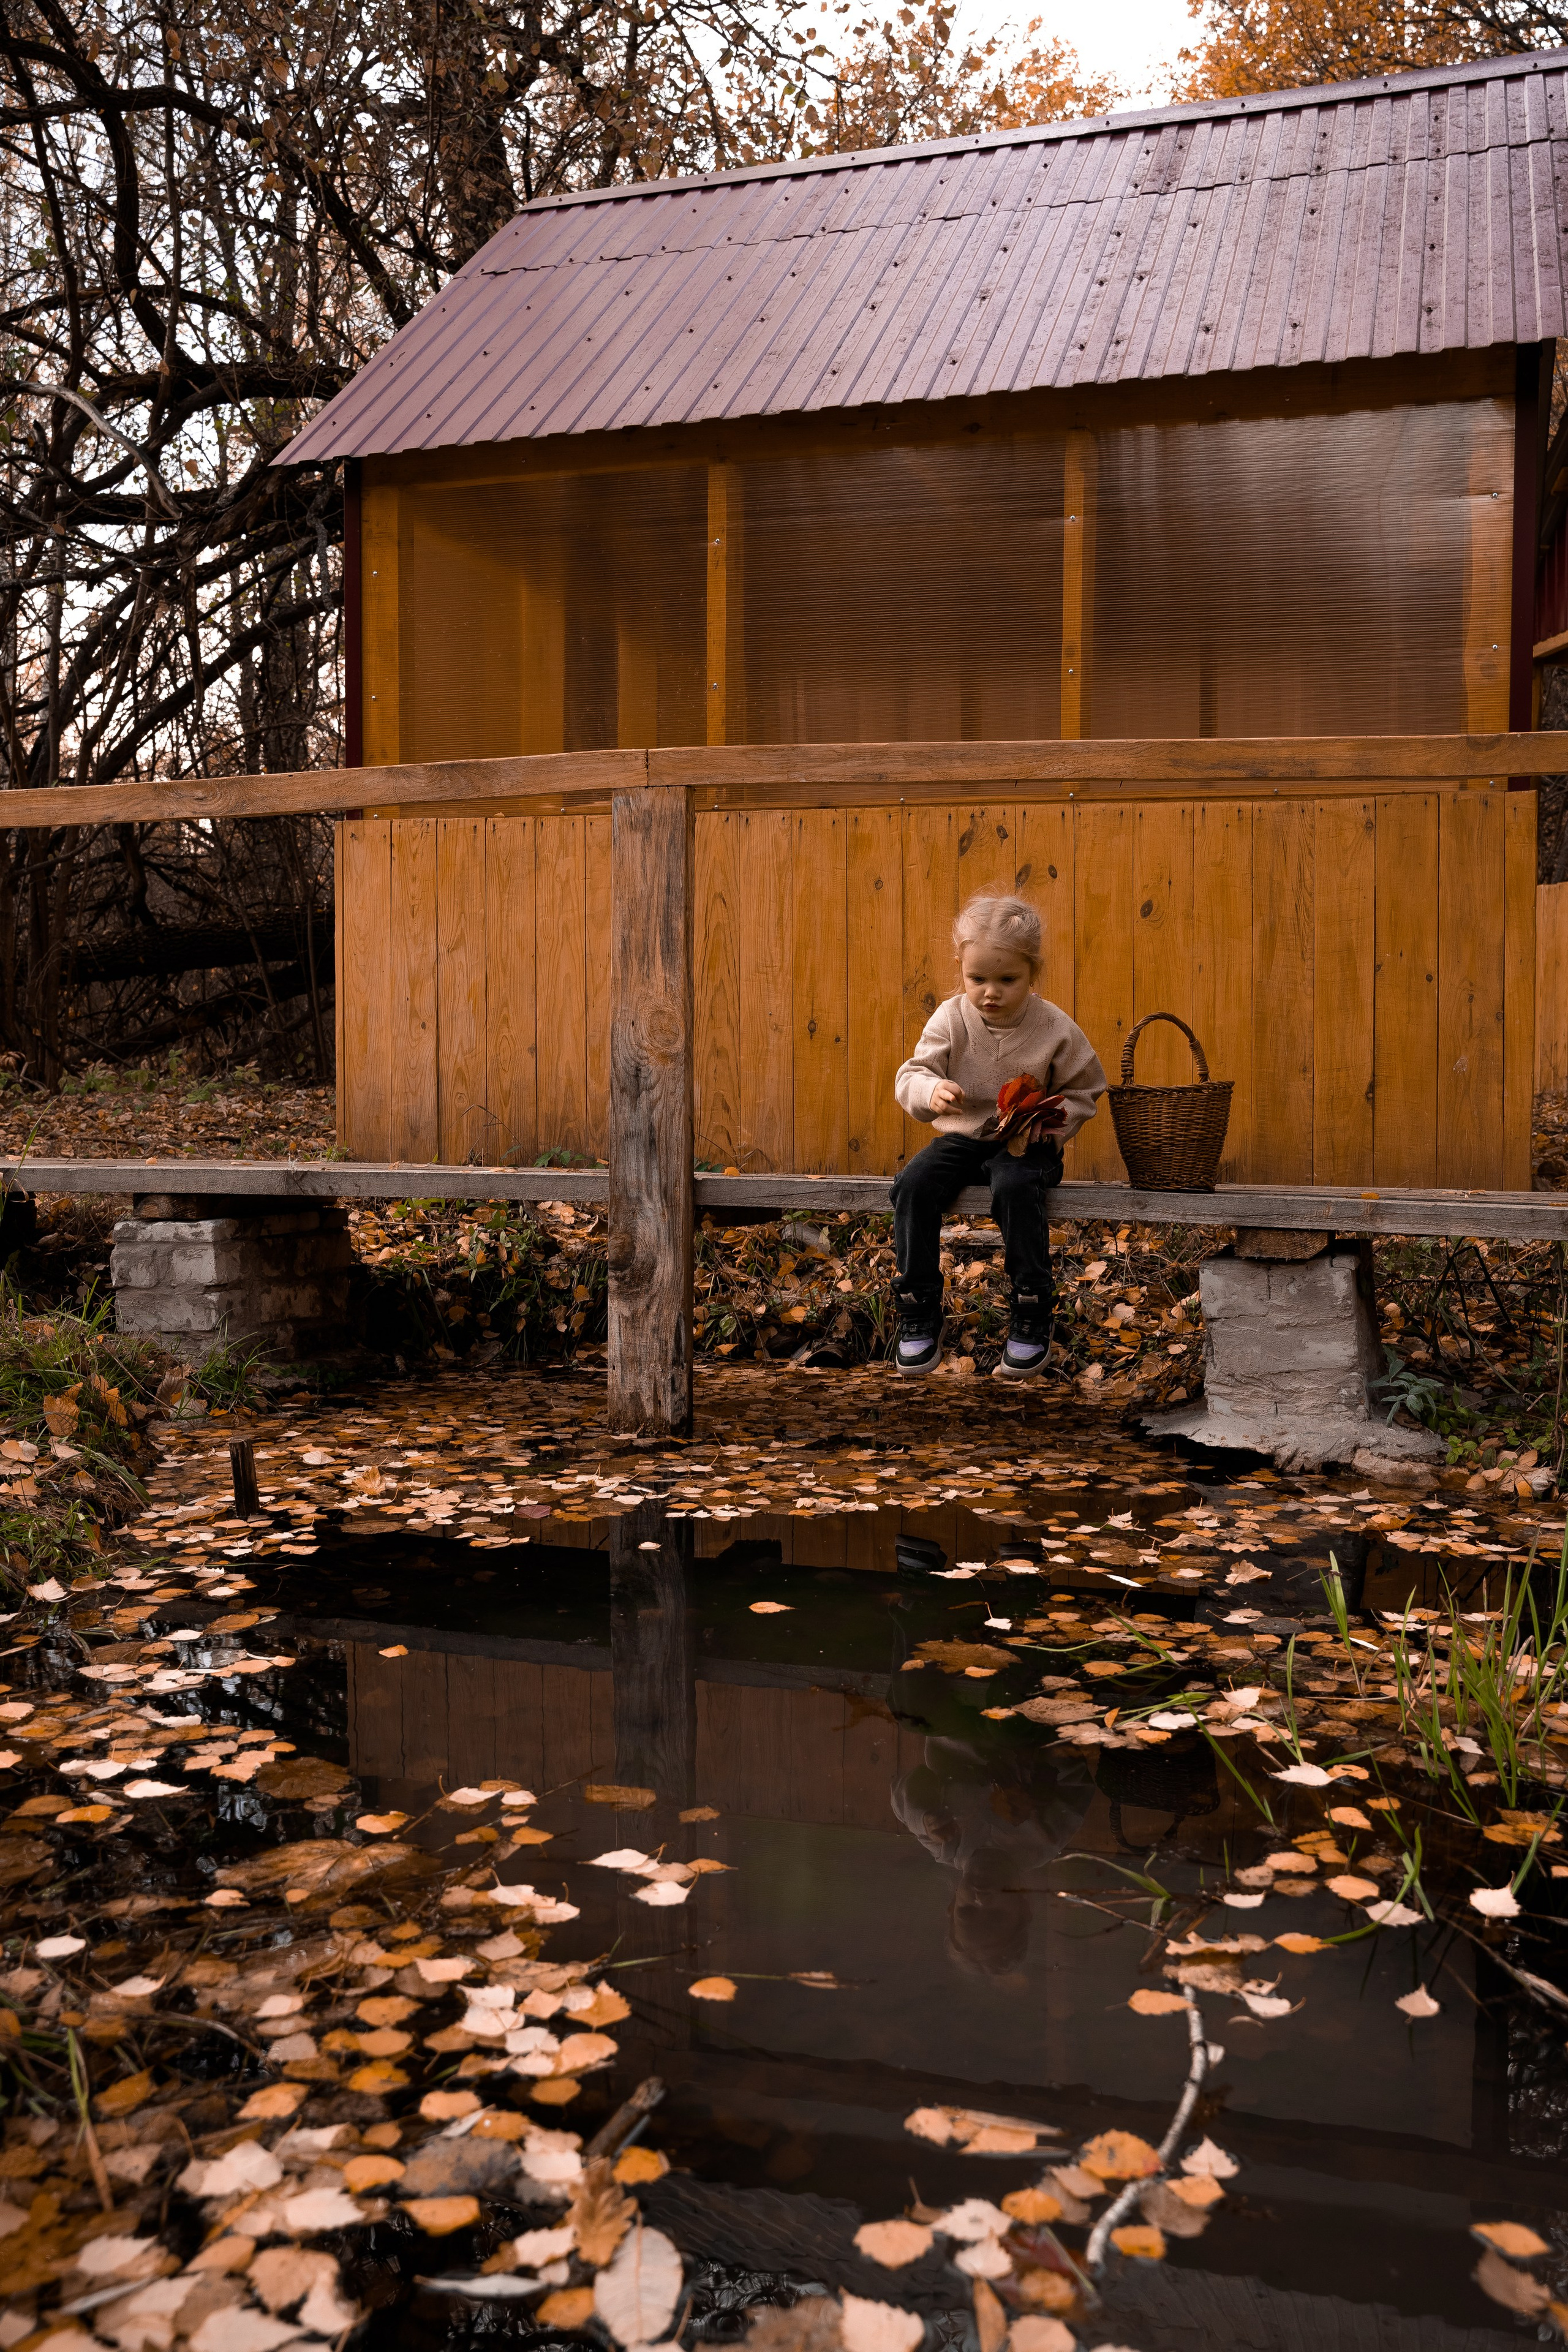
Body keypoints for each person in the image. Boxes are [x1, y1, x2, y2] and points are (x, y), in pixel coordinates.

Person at [890, 893, 1106, 1378]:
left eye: (1008, 980)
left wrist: (1052, 1123)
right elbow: (912, 1075)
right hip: (965, 1139)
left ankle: (1032, 1307)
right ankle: (918, 1305)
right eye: (977, 979)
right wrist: (934, 1091)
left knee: (1013, 1187)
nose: (991, 992)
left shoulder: (1055, 1027)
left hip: (1028, 1145)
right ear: (962, 970)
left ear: (1033, 975)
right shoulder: (951, 1018)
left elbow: (1087, 1086)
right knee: (913, 1185)